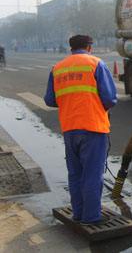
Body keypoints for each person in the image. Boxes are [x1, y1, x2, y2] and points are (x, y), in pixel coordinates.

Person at [44, 35, 117, 224]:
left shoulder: (57, 68)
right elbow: (109, 98)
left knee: (75, 174)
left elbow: (50, 100)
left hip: (69, 128)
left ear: (70, 48)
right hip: (93, 127)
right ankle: (92, 217)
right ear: (89, 47)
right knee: (92, 174)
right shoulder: (96, 64)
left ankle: (78, 213)